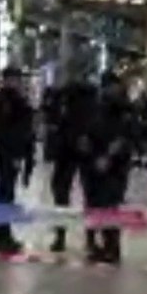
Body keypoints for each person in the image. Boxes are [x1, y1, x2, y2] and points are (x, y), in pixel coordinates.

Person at [82, 73, 134, 264]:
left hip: (115, 167)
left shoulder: (124, 110)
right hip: (92, 165)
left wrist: (109, 157)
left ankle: (112, 246)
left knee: (110, 205)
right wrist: (92, 156)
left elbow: (126, 137)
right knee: (94, 204)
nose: (112, 90)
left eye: (114, 87)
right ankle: (93, 244)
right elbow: (86, 135)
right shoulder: (94, 108)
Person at [0, 66, 35, 254]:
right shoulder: (0, 101)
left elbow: (26, 130)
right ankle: (0, 237)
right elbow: (0, 131)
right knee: (4, 194)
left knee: (8, 194)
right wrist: (11, 154)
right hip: (5, 153)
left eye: (17, 79)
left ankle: (5, 235)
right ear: (5, 80)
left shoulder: (19, 101)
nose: (16, 83)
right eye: (12, 79)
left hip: (15, 154)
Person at [46, 80, 94, 253]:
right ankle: (91, 239)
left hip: (67, 152)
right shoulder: (91, 101)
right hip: (84, 151)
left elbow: (54, 125)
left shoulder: (64, 100)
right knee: (90, 195)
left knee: (61, 194)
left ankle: (60, 237)